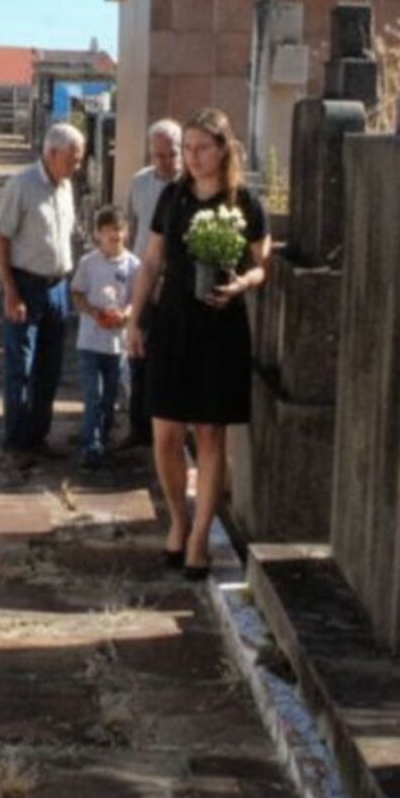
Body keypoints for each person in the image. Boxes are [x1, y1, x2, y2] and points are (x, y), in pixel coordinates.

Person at [124, 108, 271, 579]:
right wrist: (135, 320)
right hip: (173, 323)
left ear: (223, 149)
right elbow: (151, 262)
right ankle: (178, 518)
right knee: (166, 434)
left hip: (221, 327)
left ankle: (200, 537)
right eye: (187, 148)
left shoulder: (244, 202)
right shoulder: (173, 197)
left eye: (202, 147)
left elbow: (261, 265)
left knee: (210, 434)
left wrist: (242, 285)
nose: (193, 157)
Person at [0, 121, 84, 467]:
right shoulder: (22, 185)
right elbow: (1, 238)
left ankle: (38, 435)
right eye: (72, 160)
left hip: (58, 286)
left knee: (50, 367)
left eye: (79, 160)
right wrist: (10, 291)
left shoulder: (66, 187)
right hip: (26, 284)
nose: (76, 167)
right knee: (21, 365)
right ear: (52, 153)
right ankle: (16, 441)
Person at [121, 118, 183, 448]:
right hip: (143, 278)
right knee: (138, 352)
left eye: (171, 154)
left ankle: (168, 430)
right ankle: (138, 427)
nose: (165, 161)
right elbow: (131, 226)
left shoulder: (188, 186)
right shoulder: (140, 182)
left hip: (174, 283)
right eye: (159, 155)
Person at [70, 206, 140, 471]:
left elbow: (137, 298)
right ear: (98, 235)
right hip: (90, 341)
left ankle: (103, 437)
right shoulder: (89, 263)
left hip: (116, 345)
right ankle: (91, 447)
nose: (115, 238)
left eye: (119, 233)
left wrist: (126, 314)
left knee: (109, 397)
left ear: (126, 233)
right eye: (109, 234)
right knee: (93, 394)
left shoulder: (133, 265)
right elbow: (76, 293)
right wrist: (93, 312)